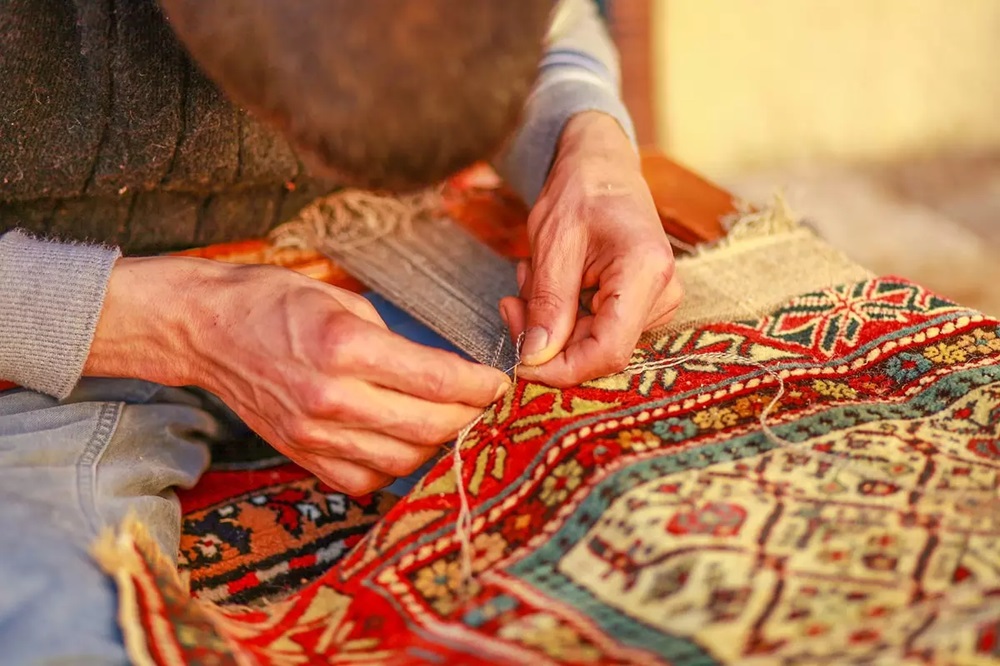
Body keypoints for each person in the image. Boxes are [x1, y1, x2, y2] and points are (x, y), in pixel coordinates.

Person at [0, 0, 682, 662]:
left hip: (379, 246)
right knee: (52, 625)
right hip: (38, 326)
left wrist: (583, 135)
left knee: (646, 514)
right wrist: (181, 325)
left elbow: (556, 28)